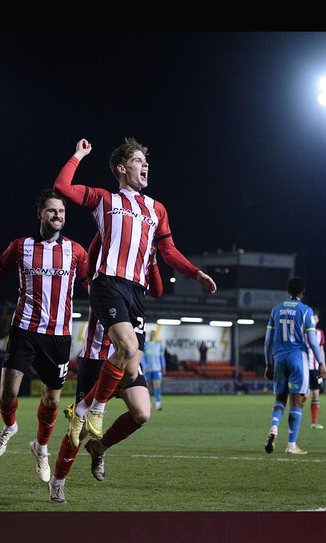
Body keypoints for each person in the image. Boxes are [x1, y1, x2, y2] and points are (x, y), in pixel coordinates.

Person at [53, 137, 217, 445]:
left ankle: (85, 412)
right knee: (127, 348)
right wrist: (78, 155)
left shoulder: (156, 209)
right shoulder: (105, 199)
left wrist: (196, 273)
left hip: (136, 294)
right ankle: (95, 409)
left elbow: (168, 250)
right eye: (139, 160)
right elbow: (62, 188)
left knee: (131, 374)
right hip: (109, 282)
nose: (146, 165)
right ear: (121, 168)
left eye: (146, 161)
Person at [0, 188, 88, 483]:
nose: (58, 216)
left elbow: (93, 285)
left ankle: (40, 447)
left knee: (51, 401)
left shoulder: (76, 251)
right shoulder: (20, 246)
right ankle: (9, 427)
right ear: (40, 214)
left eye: (62, 212)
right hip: (24, 329)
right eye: (52, 211)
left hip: (59, 336)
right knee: (7, 393)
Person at [48, 238, 163, 504]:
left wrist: (154, 262)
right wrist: (103, 233)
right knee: (81, 428)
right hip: (97, 359)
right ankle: (58, 481)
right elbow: (89, 262)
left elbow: (156, 288)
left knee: (142, 413)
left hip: (129, 358)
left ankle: (99, 449)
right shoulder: (101, 275)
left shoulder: (137, 279)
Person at [263, 277, 325, 455]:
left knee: (280, 399)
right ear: (303, 292)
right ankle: (291, 445)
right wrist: (320, 363)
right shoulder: (306, 311)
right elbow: (313, 341)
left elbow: (267, 341)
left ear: (288, 291)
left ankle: (274, 427)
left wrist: (268, 363)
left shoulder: (276, 310)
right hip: (298, 357)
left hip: (279, 358)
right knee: (297, 401)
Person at [305, 314, 326, 429]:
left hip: (316, 370)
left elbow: (321, 351)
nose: (313, 320)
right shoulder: (302, 332)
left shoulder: (320, 333)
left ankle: (314, 422)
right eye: (311, 318)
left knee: (316, 394)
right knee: (305, 395)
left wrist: (323, 367)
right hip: (304, 368)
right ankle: (295, 421)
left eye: (315, 318)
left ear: (318, 319)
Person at [142, 330, 166, 410]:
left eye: (153, 335)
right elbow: (142, 358)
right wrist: (145, 367)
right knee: (148, 388)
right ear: (149, 335)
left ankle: (158, 404)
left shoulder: (158, 345)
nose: (152, 336)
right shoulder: (146, 345)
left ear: (155, 335)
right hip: (148, 370)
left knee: (157, 387)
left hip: (157, 369)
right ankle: (148, 403)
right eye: (151, 334)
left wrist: (163, 367)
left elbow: (162, 357)